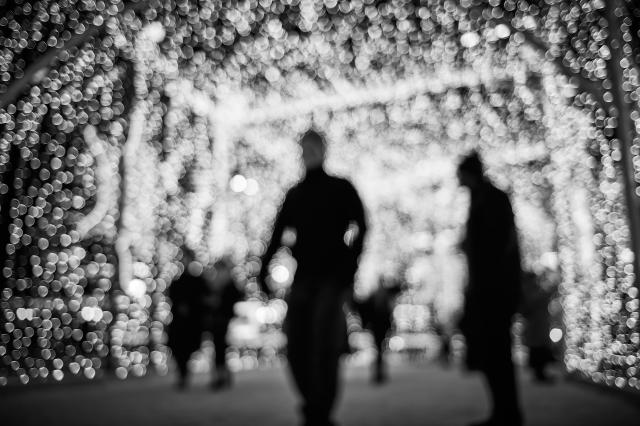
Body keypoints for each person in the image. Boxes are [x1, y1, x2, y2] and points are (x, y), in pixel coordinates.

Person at [259, 129, 367, 426]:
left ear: (323, 150)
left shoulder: (340, 188)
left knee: (323, 346)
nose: (308, 153)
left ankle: (321, 410)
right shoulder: (296, 194)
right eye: (304, 148)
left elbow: (362, 225)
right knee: (296, 345)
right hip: (304, 279)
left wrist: (349, 266)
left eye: (313, 147)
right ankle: (312, 404)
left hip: (330, 280)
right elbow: (278, 233)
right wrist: (263, 269)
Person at [457, 151, 523, 426]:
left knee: (497, 353)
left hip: (493, 291)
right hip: (491, 289)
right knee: (495, 353)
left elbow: (496, 247)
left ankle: (507, 413)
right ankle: (504, 411)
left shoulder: (489, 199)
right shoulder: (484, 198)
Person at [168, 247, 207, 389]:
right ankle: (182, 374)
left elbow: (203, 300)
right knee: (179, 350)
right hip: (181, 323)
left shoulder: (198, 282)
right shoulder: (177, 282)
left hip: (191, 323)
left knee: (187, 349)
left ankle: (184, 375)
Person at [203, 257, 243, 390]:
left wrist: (218, 303)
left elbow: (233, 298)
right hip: (217, 318)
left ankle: (222, 376)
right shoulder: (216, 283)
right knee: (218, 347)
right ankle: (222, 375)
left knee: (220, 347)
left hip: (222, 318)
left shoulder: (227, 284)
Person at [357, 276, 402, 384]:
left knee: (379, 350)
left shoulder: (376, 295)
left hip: (377, 326)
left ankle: (378, 374)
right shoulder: (382, 295)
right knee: (380, 350)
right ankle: (379, 374)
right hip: (380, 326)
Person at [520, 269, 556, 383]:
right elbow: (532, 302)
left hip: (539, 324)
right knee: (537, 349)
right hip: (535, 325)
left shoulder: (531, 289)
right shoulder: (528, 290)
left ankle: (541, 373)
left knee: (540, 348)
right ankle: (539, 374)